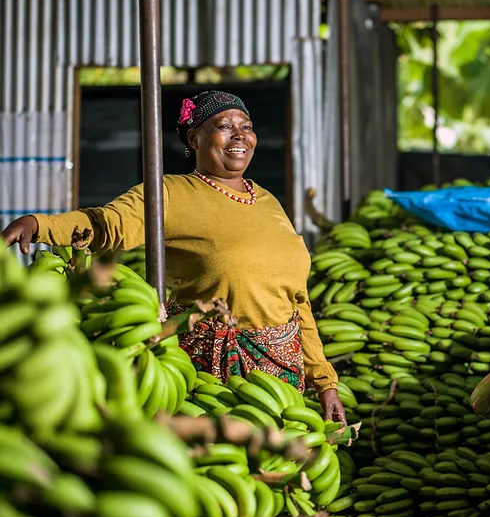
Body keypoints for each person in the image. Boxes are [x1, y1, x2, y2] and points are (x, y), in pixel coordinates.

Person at [2, 90, 346, 424]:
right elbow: (108, 225)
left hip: (282, 377)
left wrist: (325, 381)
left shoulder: (269, 201)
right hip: (214, 377)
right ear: (194, 139)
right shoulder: (169, 193)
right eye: (224, 126)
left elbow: (297, 300)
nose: (239, 135)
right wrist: (40, 224)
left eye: (246, 125)